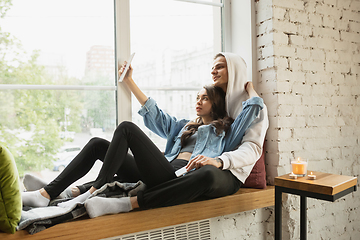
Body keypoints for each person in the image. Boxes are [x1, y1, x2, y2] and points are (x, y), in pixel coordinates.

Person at [22, 60, 264, 215]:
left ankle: (93, 189)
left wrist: (248, 86)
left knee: (127, 128)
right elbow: (156, 114)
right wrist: (129, 81)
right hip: (163, 170)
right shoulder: (184, 126)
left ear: (217, 103)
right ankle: (47, 194)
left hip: (178, 177)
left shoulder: (225, 130)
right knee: (98, 144)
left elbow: (253, 107)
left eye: (204, 98)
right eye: (197, 97)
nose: (197, 102)